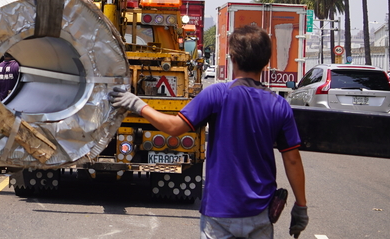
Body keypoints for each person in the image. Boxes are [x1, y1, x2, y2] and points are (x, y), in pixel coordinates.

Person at [110, 24, 308, 239]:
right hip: (259, 213)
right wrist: (301, 206)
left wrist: (138, 104)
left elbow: (174, 128)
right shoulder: (279, 105)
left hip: (220, 213)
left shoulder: (218, 94)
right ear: (267, 61)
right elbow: (293, 161)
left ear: (232, 58)